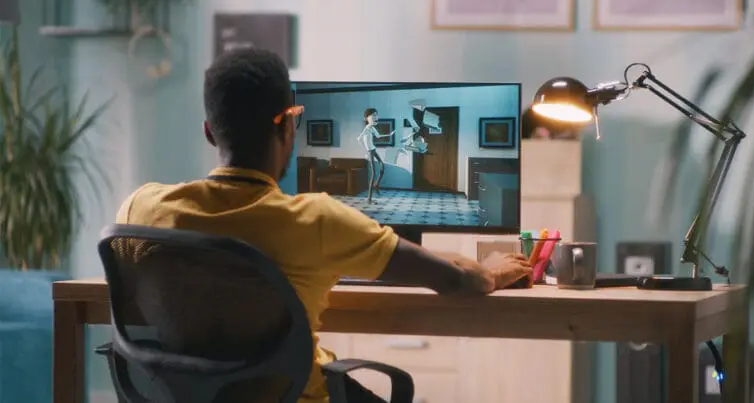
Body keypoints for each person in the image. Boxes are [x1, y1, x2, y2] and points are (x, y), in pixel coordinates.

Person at [115, 48, 532, 403]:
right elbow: (456, 279)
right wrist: (492, 269)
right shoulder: (317, 220)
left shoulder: (141, 209)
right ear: (288, 126)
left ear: (209, 132)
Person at [357, 108, 394, 203]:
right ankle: (369, 199)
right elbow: (359, 139)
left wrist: (389, 134)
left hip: (373, 149)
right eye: (373, 115)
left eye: (376, 115)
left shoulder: (372, 128)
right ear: (367, 118)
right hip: (370, 151)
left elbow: (378, 136)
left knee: (382, 166)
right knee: (373, 173)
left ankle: (376, 184)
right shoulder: (367, 128)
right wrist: (365, 151)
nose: (375, 117)